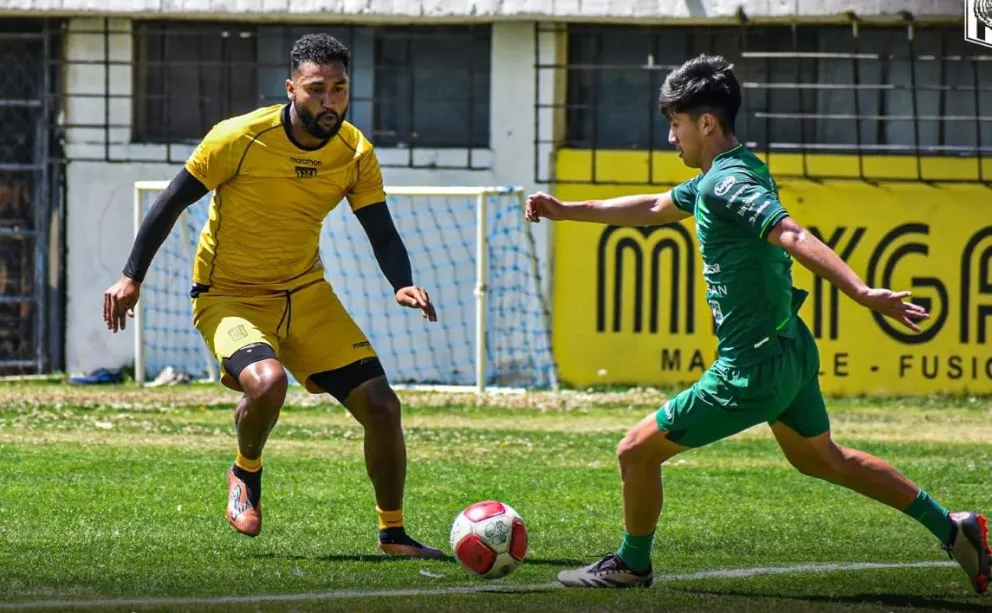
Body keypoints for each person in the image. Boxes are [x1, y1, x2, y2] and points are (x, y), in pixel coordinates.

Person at [526, 54, 990, 593]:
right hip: (788, 349)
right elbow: (655, 206)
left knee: (636, 450)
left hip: (751, 366)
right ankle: (954, 526)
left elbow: (790, 234)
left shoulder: (727, 184)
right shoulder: (721, 174)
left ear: (706, 123)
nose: (671, 137)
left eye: (676, 124)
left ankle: (632, 564)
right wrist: (566, 210)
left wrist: (861, 292)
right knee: (825, 460)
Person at [102, 33, 444, 558]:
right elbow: (170, 203)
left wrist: (402, 283)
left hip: (305, 294)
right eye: (316, 90)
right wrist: (131, 277)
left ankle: (393, 533)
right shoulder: (239, 138)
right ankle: (245, 471)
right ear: (291, 88)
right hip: (229, 296)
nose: (329, 101)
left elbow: (381, 228)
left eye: (339, 89)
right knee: (267, 383)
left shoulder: (355, 151)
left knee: (382, 405)